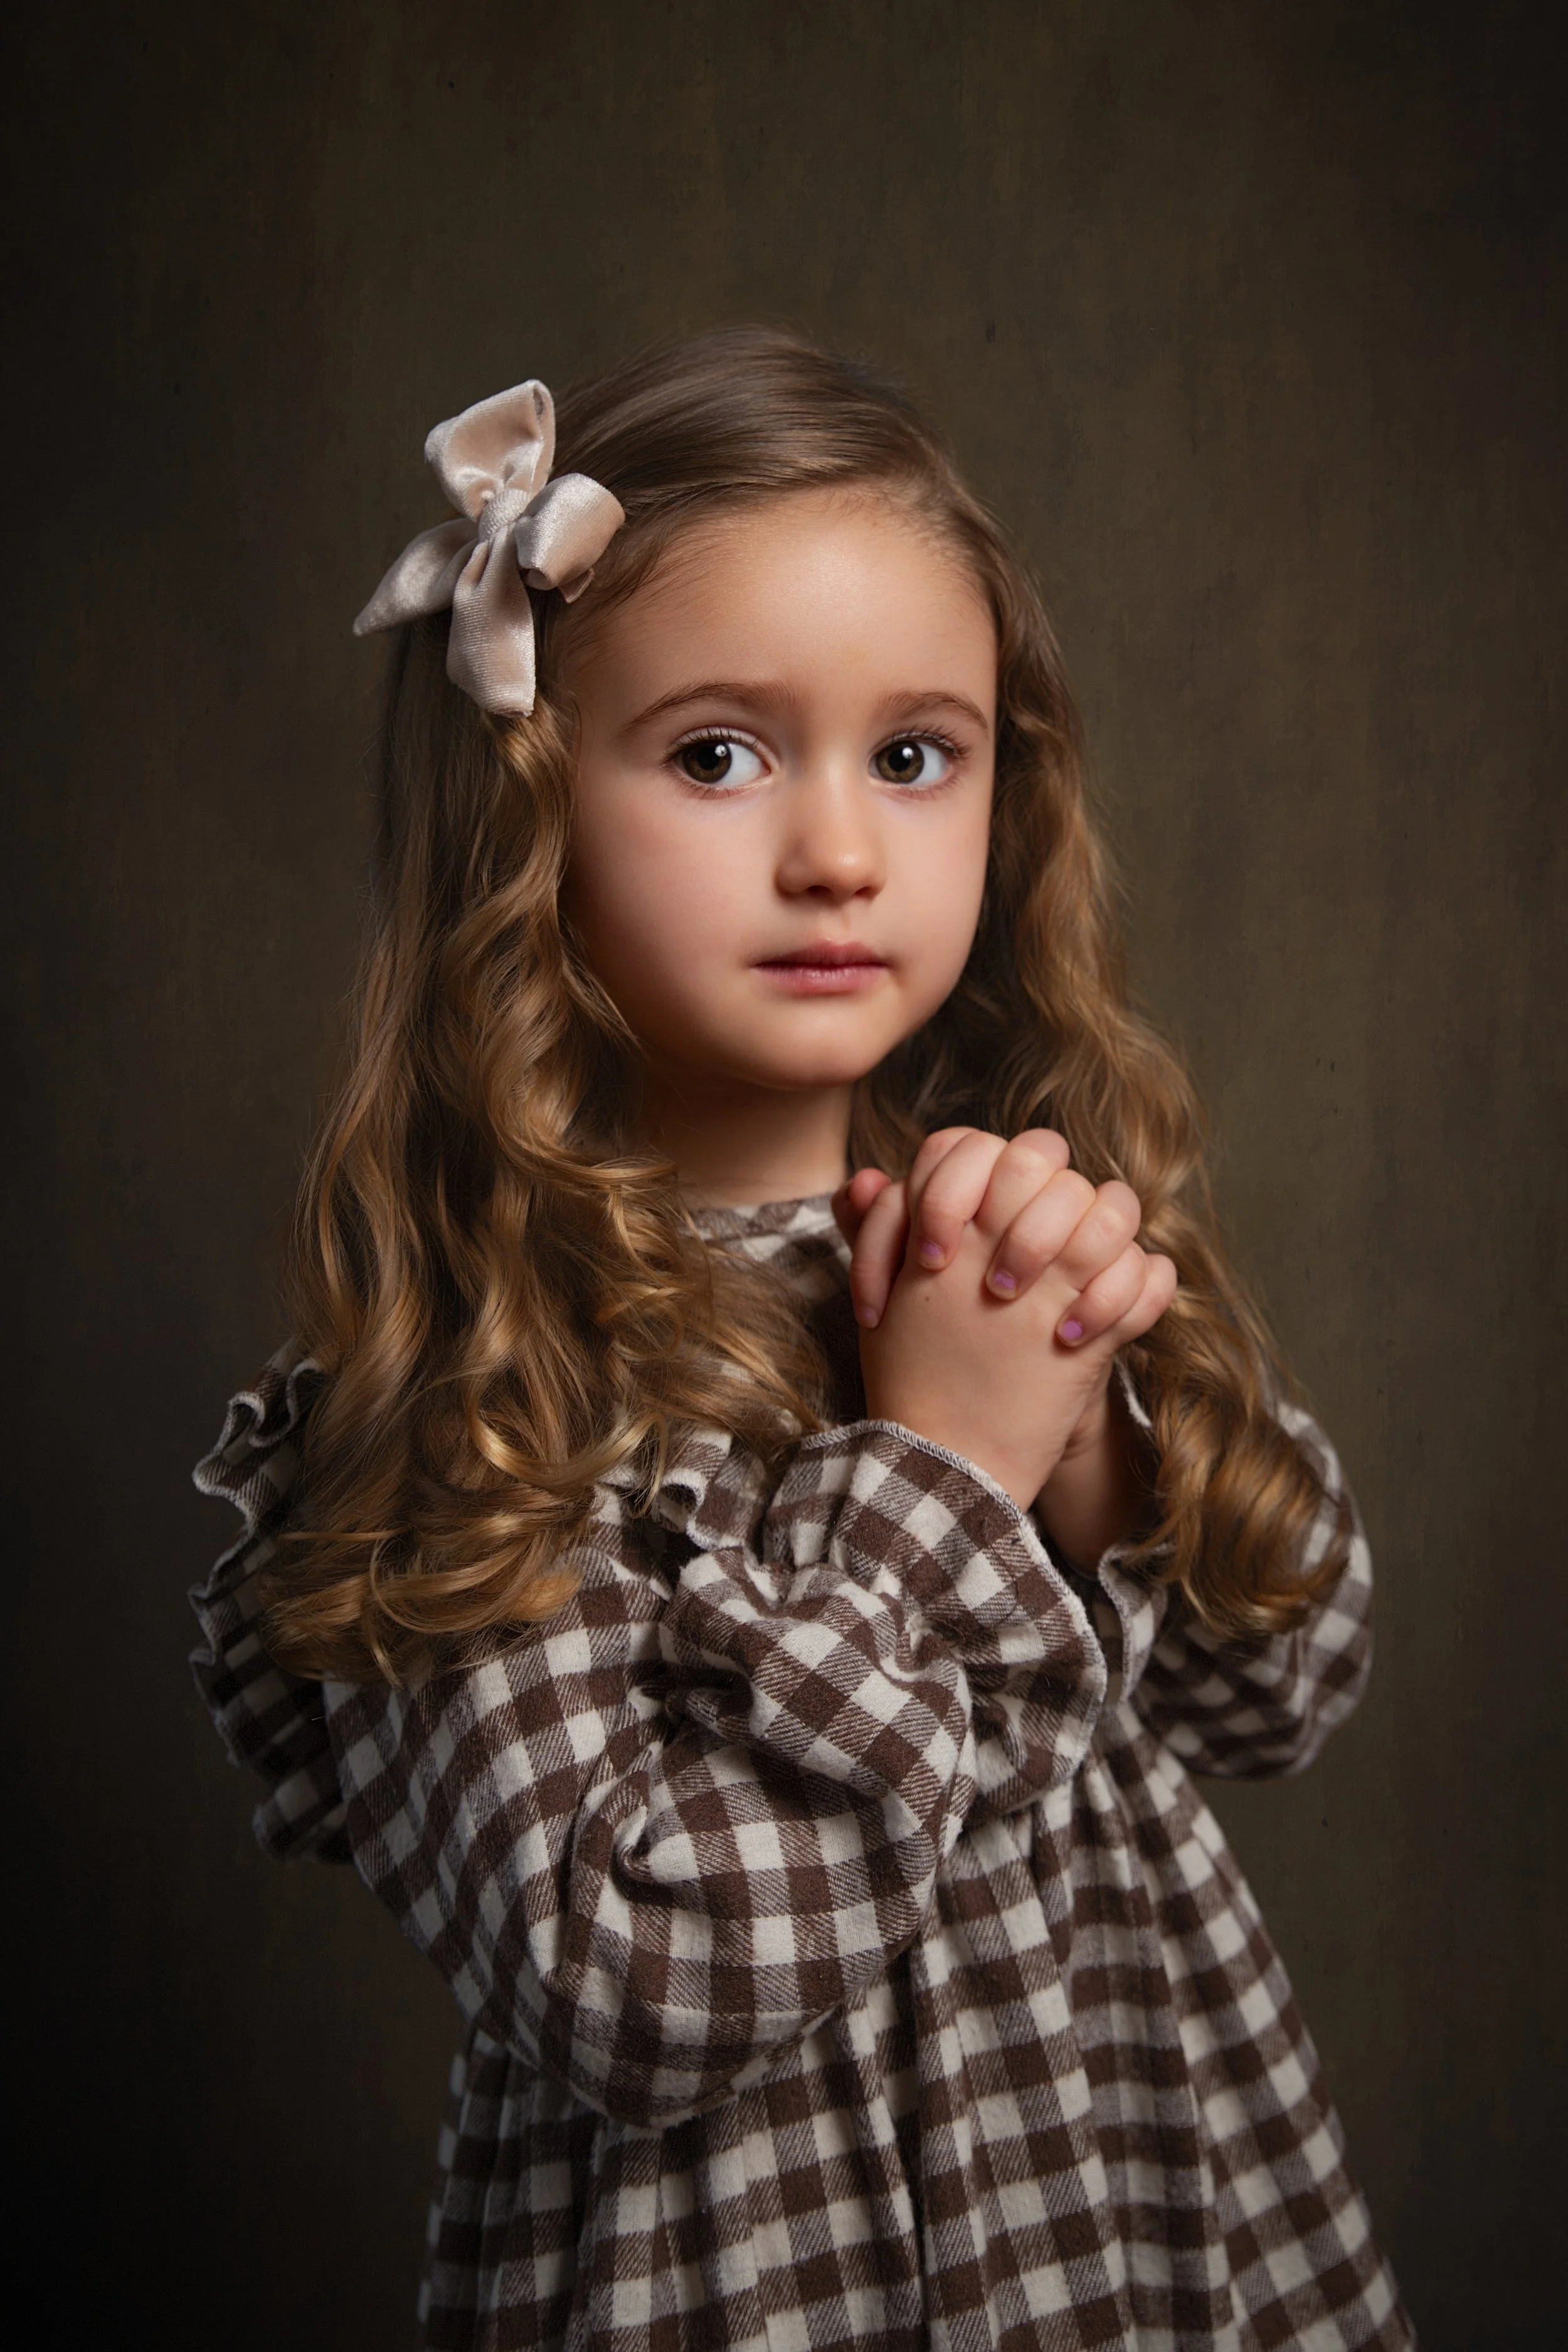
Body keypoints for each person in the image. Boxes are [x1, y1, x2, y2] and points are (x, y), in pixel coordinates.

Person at [191, 329, 1414, 2349]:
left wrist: (1092, 1454)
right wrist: (940, 1480)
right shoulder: (475, 1391)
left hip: (1144, 2262)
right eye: (716, 752)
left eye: (914, 752)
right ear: (526, 813)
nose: (839, 847)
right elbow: (632, 1977)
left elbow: (1292, 1681)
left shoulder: (991, 1234)